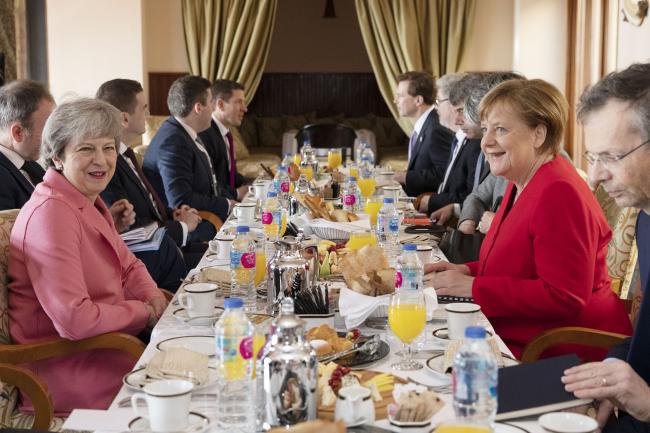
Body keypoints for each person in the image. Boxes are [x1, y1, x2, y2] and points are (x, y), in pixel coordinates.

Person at [424, 78, 632, 359]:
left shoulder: (559, 191)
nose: (486, 142)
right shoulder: (519, 180)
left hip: (559, 348)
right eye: (485, 129)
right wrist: (467, 271)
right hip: (517, 331)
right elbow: (519, 263)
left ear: (538, 134)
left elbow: (564, 296)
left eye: (501, 129)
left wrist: (474, 287)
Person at [8, 98, 168, 414]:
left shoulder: (84, 199)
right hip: (67, 370)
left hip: (107, 347)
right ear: (56, 156)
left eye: (108, 148)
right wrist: (143, 312)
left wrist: (155, 299)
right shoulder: (51, 213)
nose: (102, 160)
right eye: (86, 149)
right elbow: (73, 320)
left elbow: (129, 265)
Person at [561, 62, 650, 433]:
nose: (595, 176)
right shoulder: (645, 216)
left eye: (610, 157)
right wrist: (613, 371)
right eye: (592, 158)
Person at [97, 78, 214, 270]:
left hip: (166, 243)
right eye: (144, 108)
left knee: (227, 256)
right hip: (149, 261)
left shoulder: (126, 154)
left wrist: (172, 214)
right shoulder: (106, 167)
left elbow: (149, 206)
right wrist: (182, 226)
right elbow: (129, 229)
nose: (148, 114)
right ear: (124, 119)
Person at [0, 79, 135, 232]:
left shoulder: (31, 165)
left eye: (108, 148)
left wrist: (106, 224)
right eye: (49, 127)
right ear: (18, 132)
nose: (56, 134)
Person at [143, 75, 234, 222]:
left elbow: (210, 184)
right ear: (198, 108)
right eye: (211, 103)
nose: (212, 109)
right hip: (189, 225)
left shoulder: (185, 132)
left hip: (206, 214)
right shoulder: (173, 142)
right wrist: (228, 205)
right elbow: (181, 200)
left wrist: (233, 200)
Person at [417, 73, 482, 216]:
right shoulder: (458, 139)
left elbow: (473, 197)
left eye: (438, 101)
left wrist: (433, 201)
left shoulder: (476, 143)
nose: (435, 107)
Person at [391, 71, 454, 197]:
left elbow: (445, 174)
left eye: (400, 96)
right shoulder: (425, 124)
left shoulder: (436, 128)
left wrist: (406, 177)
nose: (395, 100)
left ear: (418, 100)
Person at [199, 79, 250, 201]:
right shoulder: (205, 134)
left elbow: (230, 175)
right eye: (239, 102)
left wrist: (254, 184)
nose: (245, 109)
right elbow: (209, 185)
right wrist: (236, 193)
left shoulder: (225, 133)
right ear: (220, 104)